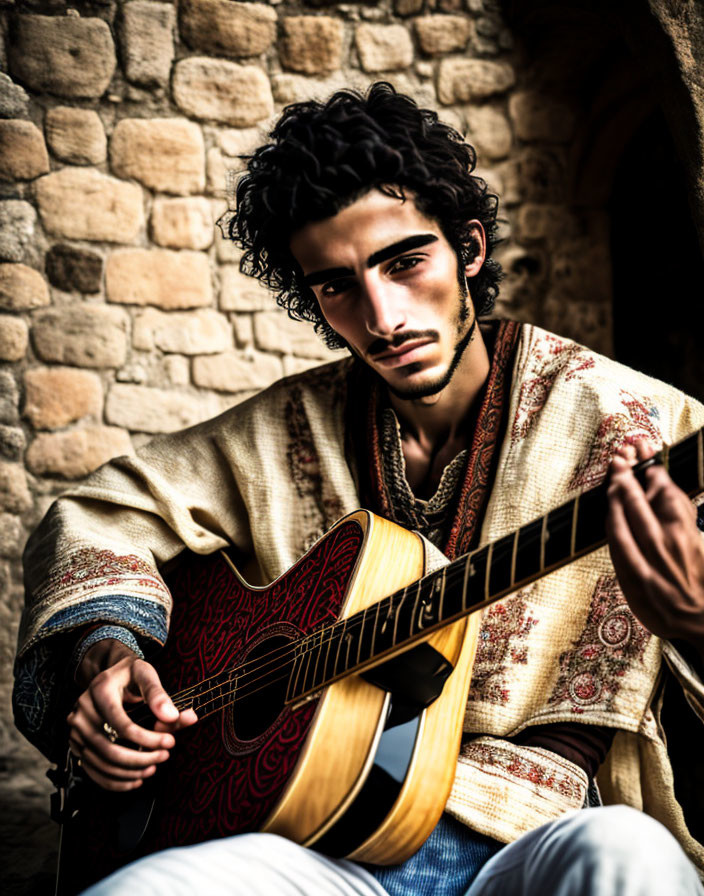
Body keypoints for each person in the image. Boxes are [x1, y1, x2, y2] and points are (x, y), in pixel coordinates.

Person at [13, 83, 704, 895]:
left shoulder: (648, 428)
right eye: (337, 285)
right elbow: (97, 512)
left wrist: (696, 626)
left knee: (634, 858)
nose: (382, 316)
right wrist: (110, 650)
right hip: (310, 839)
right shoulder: (287, 428)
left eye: (405, 262)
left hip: (538, 837)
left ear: (470, 249)